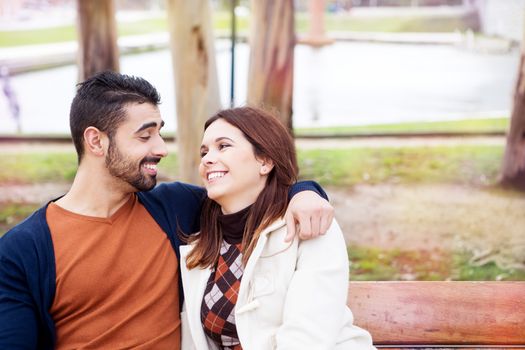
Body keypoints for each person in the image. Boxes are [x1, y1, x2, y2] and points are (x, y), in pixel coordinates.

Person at [0, 71, 334, 349]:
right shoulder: (24, 250)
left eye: (159, 133)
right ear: (96, 141)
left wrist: (305, 192)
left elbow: (256, 194)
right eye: (145, 136)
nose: (161, 149)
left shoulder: (174, 207)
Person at [180, 107, 375, 349]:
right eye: (204, 151)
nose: (207, 159)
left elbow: (306, 340)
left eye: (223, 146)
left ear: (264, 161)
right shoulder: (202, 244)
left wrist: (304, 191)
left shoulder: (309, 225)